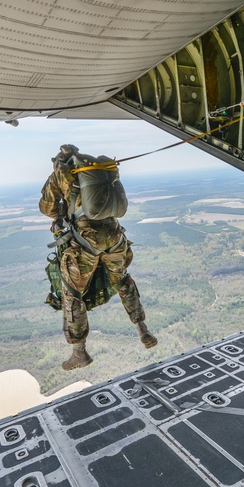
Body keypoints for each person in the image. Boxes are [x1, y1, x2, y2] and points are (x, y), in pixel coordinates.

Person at [39, 144, 156, 370]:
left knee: (72, 293)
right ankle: (142, 328)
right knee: (122, 280)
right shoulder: (98, 168)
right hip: (115, 234)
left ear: (58, 161)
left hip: (86, 239)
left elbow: (48, 209)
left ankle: (79, 352)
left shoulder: (61, 173)